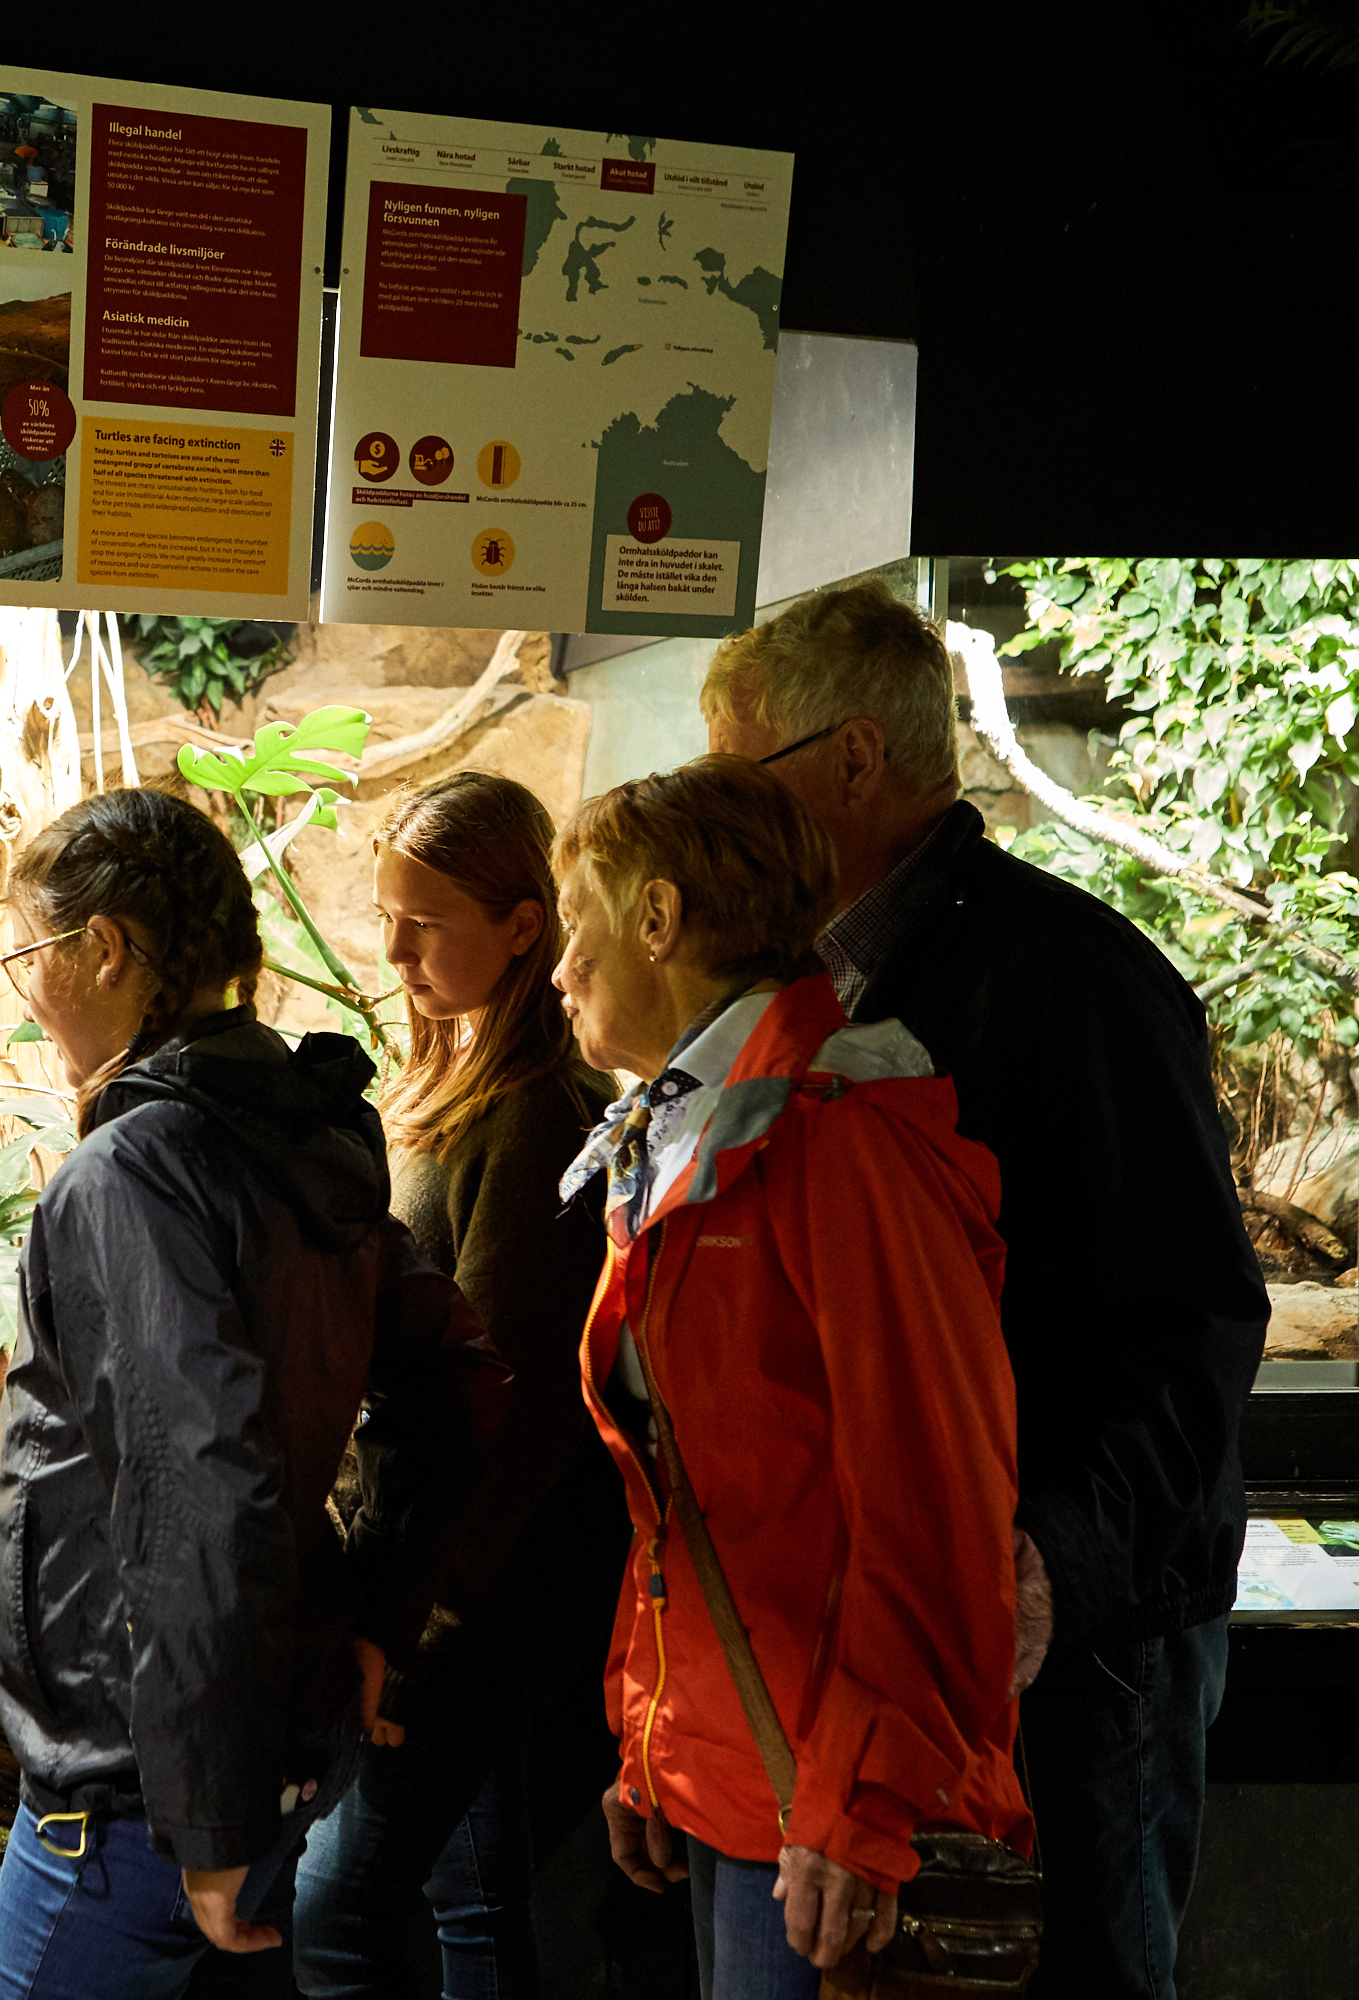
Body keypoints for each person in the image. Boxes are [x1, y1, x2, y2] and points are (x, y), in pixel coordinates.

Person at [703, 579, 1270, 2000]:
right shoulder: (824, 980)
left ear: (851, 760)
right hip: (924, 1635)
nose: (716, 811)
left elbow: (1198, 1322)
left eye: (733, 771)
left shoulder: (1065, 981)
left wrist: (1053, 1562)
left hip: (1079, 1646)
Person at [0, 787, 507, 2000]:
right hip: (273, 1730)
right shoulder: (302, 1134)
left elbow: (193, 1484)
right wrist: (374, 1612)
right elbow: (463, 1380)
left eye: (30, 956)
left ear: (104, 948)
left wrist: (205, 1816)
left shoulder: (131, 1171)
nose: (29, 991)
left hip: (137, 1789)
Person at [555, 757, 1030, 2000]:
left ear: (658, 920)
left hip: (825, 1797)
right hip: (738, 1775)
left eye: (576, 928)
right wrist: (651, 1741)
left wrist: (866, 1803)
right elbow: (694, 1499)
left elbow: (931, 1498)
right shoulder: (693, 1134)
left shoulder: (839, 1128)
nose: (560, 970)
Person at [294, 772, 612, 2000]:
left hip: (475, 1605)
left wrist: (406, 1624)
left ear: (524, 925)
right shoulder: (458, 1085)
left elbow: (514, 1407)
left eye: (425, 921)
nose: (392, 949)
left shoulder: (535, 1119)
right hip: (460, 1594)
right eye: (386, 913)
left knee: (335, 1912)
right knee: (472, 1900)